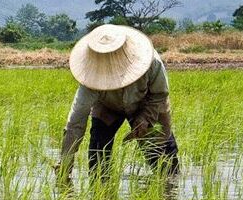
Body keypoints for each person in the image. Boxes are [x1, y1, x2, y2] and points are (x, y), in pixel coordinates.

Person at [56, 24, 179, 187]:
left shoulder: (151, 62)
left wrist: (144, 118)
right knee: (98, 155)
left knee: (164, 161)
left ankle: (169, 192)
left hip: (147, 103)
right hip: (107, 107)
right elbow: (75, 123)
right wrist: (65, 163)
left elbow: (160, 94)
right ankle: (101, 194)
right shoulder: (90, 79)